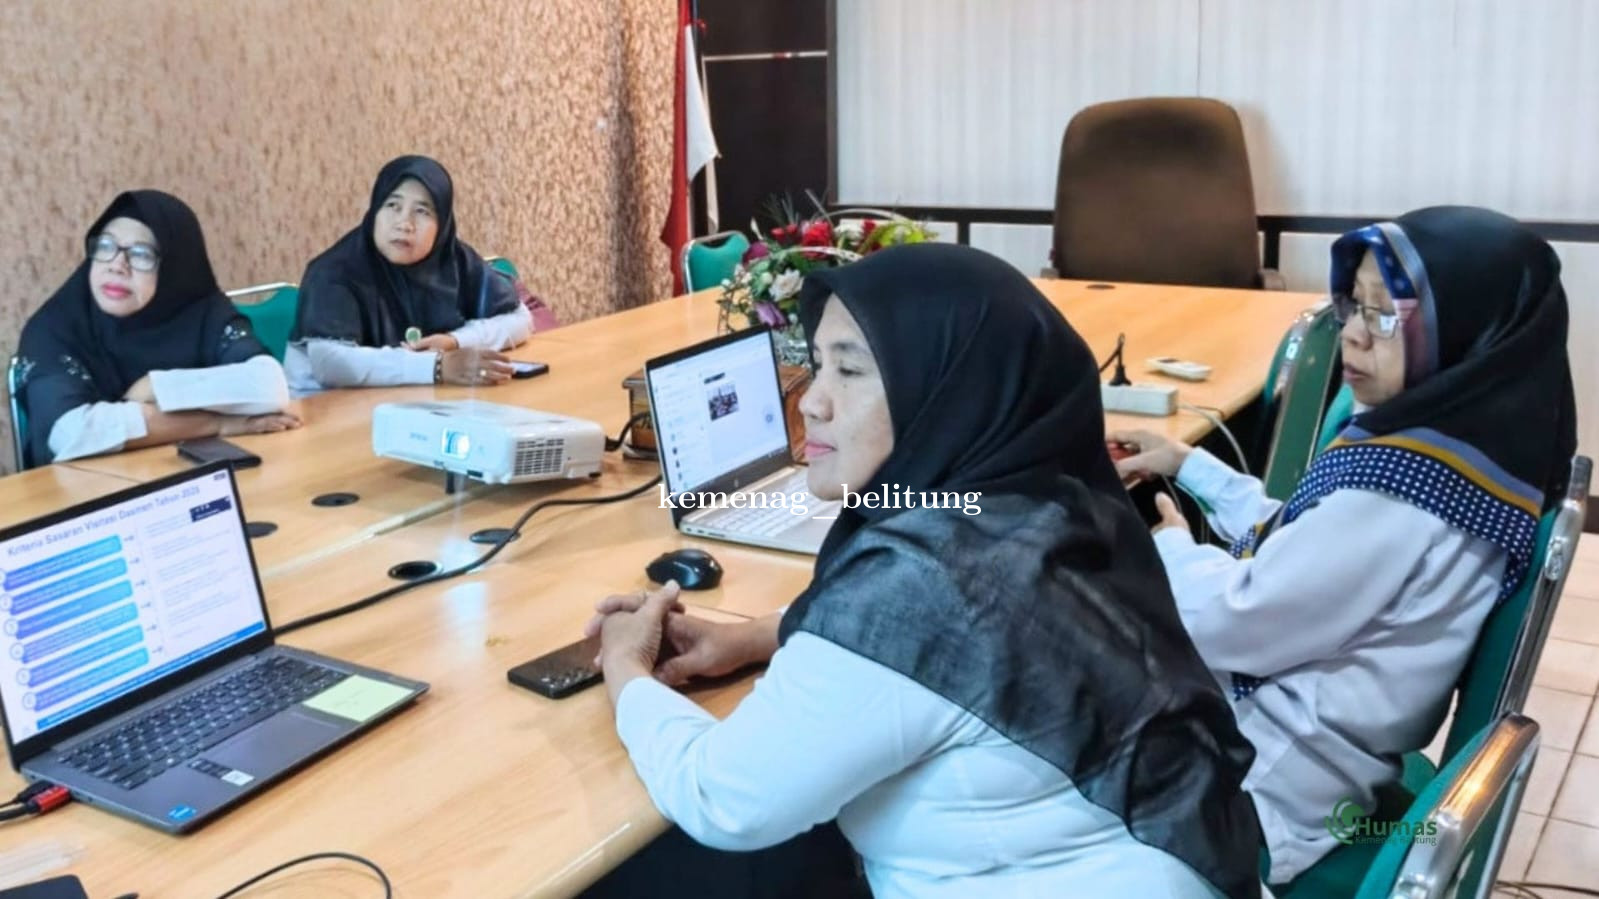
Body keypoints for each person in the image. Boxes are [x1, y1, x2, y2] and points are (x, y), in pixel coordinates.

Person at [588, 244, 1264, 899]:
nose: (812, 402)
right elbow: (978, 623)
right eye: (816, 366)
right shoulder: (1050, 501)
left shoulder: (923, 581)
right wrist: (755, 636)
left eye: (850, 371)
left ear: (949, 391)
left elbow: (723, 799)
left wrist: (626, 667)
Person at [1109, 206, 1576, 884]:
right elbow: (1309, 545)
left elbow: (1234, 620)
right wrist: (1191, 465)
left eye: (1384, 316)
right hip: (1304, 750)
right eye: (1352, 305)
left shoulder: (1402, 495)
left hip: (1257, 784)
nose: (1353, 334)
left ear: (1463, 332)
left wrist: (1169, 547)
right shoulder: (1458, 450)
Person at [14, 190, 297, 468]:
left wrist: (155, 386)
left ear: (176, 267)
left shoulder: (202, 312)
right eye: (106, 246)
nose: (117, 265)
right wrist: (217, 423)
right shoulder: (55, 327)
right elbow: (71, 433)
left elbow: (269, 386)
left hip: (188, 478)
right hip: (84, 488)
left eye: (141, 254)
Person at [285, 155, 536, 392]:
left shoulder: (453, 260)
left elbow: (520, 318)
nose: (405, 224)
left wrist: (454, 341)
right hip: (324, 408)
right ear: (374, 211)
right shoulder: (334, 271)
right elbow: (331, 364)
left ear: (443, 224)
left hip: (416, 401)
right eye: (393, 206)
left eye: (422, 211)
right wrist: (437, 367)